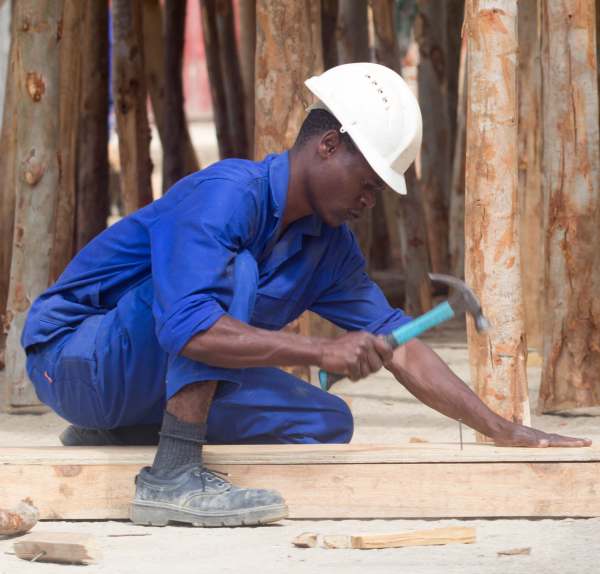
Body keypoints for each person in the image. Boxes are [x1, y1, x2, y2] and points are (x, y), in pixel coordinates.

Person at [22, 63, 591, 528]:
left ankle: (121, 430)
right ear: (328, 145)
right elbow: (189, 327)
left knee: (324, 421)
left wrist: (502, 429)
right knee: (236, 273)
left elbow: (397, 343)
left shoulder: (329, 246)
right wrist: (318, 352)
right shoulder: (226, 194)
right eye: (368, 183)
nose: (370, 201)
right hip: (72, 360)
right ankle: (171, 474)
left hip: (133, 381)